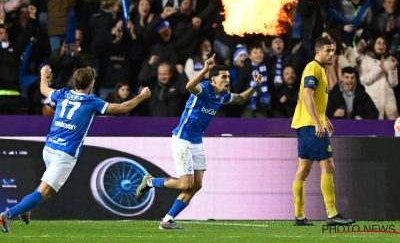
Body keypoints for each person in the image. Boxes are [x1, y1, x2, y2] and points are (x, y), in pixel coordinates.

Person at [0, 66, 151, 233]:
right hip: (64, 154)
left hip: (49, 148)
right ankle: (8, 215)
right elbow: (122, 108)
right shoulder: (92, 101)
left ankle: (25, 209)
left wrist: (43, 73)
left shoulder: (63, 93)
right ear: (91, 83)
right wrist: (142, 96)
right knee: (45, 191)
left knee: (47, 190)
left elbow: (43, 89)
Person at [135, 55, 262, 230]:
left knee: (197, 185)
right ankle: (150, 181)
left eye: (228, 77)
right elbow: (189, 86)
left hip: (196, 141)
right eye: (224, 77)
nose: (227, 80)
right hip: (182, 139)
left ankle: (167, 220)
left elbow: (240, 98)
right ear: (213, 79)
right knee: (185, 184)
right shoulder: (204, 88)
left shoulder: (222, 96)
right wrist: (204, 69)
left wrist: (255, 85)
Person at [291, 37, 356, 226]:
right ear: (318, 52)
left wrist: (324, 119)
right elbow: (307, 95)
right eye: (327, 51)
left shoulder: (320, 70)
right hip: (311, 126)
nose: (331, 54)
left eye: (333, 51)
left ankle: (299, 216)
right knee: (328, 166)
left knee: (303, 169)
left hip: (303, 124)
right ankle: (332, 213)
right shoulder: (314, 68)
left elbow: (312, 99)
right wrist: (318, 123)